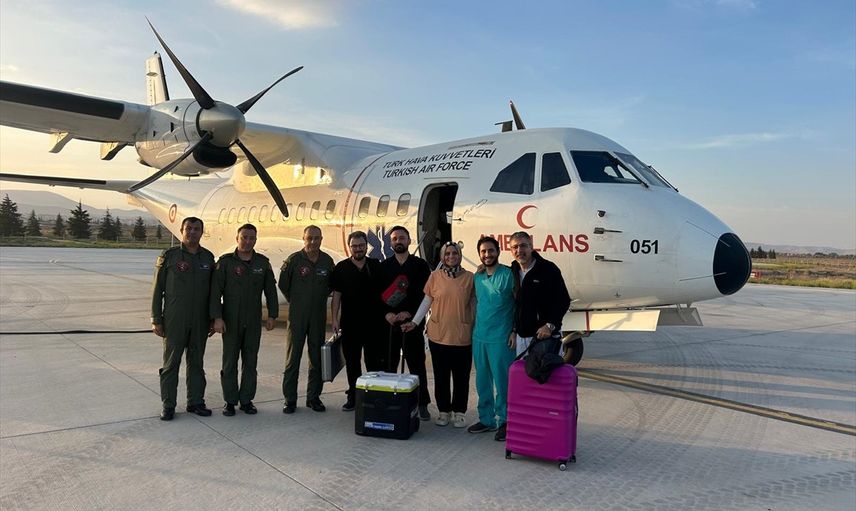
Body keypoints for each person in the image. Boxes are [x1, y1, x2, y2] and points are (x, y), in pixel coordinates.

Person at [150, 216, 216, 421]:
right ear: (181, 230)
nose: (192, 232)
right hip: (174, 319)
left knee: (196, 363)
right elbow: (157, 289)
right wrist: (156, 318)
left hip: (200, 320)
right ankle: (168, 404)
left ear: (202, 232)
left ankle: (195, 402)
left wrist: (214, 318)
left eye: (197, 229)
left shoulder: (208, 258)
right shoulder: (169, 256)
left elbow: (214, 292)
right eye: (189, 228)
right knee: (171, 363)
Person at [403, 242, 474, 428]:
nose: (451, 256)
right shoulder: (434, 276)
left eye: (454, 253)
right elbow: (427, 301)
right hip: (438, 336)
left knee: (461, 377)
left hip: (462, 336)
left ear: (460, 255)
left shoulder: (470, 278)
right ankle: (444, 411)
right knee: (441, 376)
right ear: (442, 257)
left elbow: (475, 305)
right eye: (447, 254)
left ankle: (459, 412)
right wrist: (415, 322)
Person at [210, 224, 278, 416]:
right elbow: (215, 292)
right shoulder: (225, 263)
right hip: (231, 321)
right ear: (237, 238)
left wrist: (272, 315)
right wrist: (217, 318)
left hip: (253, 321)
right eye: (244, 237)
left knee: (250, 362)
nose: (248, 241)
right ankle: (230, 401)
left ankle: (247, 400)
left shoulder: (262, 263)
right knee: (229, 362)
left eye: (251, 238)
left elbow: (270, 291)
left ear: (256, 240)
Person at [377, 225, 432, 421]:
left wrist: (410, 314)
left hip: (412, 323)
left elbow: (425, 294)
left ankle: (422, 403)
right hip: (390, 325)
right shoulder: (383, 267)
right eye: (394, 239)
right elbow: (377, 295)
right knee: (389, 365)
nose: (398, 241)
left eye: (402, 238)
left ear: (409, 241)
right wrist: (387, 314)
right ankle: (390, 401)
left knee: (417, 365)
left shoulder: (420, 265)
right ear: (390, 243)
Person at [466, 236, 517, 441]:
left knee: (503, 382)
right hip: (480, 336)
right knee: (482, 381)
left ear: (498, 251)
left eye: (491, 250)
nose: (487, 254)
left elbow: (519, 304)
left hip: (501, 337)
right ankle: (486, 419)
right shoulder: (478, 277)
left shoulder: (508, 275)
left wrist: (515, 330)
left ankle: (505, 421)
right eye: (483, 251)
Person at [279, 225, 334, 414]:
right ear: (303, 239)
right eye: (309, 238)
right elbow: (283, 284)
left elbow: (330, 286)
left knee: (317, 358)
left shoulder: (327, 261)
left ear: (321, 239)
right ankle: (290, 399)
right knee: (292, 358)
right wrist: (297, 300)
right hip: (297, 317)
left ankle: (313, 397)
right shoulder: (294, 260)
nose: (313, 242)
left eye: (317, 238)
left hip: (318, 316)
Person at [331, 231, 385, 411]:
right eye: (354, 246)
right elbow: (336, 296)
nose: (358, 249)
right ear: (350, 247)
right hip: (350, 325)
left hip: (373, 325)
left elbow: (385, 294)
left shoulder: (376, 266)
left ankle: (373, 396)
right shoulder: (341, 268)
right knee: (352, 363)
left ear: (366, 246)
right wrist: (334, 319)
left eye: (361, 245)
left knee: (373, 364)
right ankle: (353, 396)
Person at [509, 231, 571, 356]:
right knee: (524, 369)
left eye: (523, 245)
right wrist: (514, 330)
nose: (519, 250)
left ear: (531, 247)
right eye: (515, 247)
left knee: (547, 369)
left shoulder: (548, 269)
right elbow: (517, 306)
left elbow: (563, 300)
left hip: (545, 337)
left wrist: (550, 325)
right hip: (522, 338)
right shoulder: (513, 270)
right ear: (511, 250)